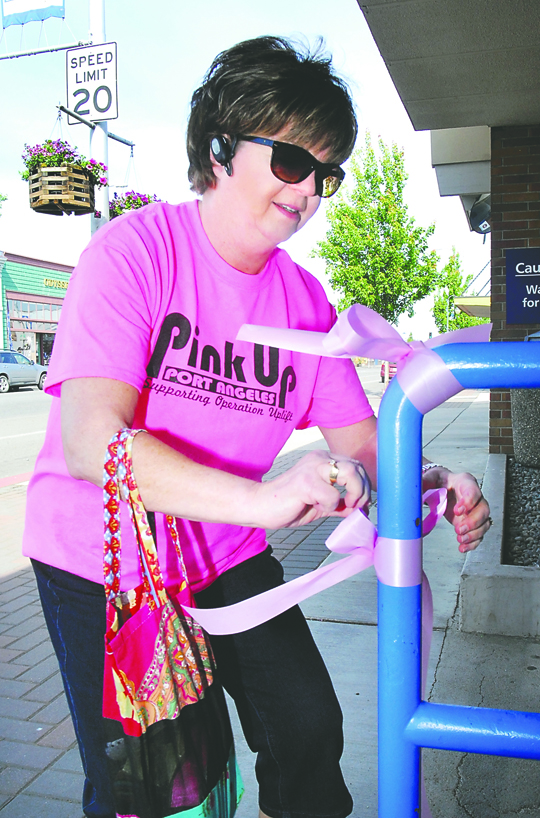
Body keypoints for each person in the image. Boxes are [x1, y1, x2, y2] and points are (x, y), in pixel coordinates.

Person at [23, 36, 490, 818]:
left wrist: (437, 483)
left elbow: (366, 449)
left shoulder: (306, 302)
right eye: (289, 161)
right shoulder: (133, 254)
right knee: (159, 781)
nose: (309, 190)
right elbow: (88, 442)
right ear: (218, 149)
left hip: (224, 553)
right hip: (106, 563)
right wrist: (268, 499)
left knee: (307, 726)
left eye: (326, 171)